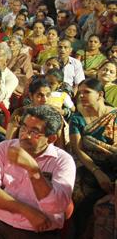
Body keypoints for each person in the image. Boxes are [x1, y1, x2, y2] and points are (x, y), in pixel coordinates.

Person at [0, 105, 76, 239]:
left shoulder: (63, 161)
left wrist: (33, 170)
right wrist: (26, 210)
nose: (25, 135)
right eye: (24, 127)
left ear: (51, 139)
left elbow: (56, 207)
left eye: (34, 132)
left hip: (39, 232)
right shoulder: (5, 148)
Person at [69, 78, 117, 238]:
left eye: (86, 92)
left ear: (100, 94)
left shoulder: (114, 116)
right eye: (80, 92)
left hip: (114, 166)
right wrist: (97, 172)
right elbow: (78, 149)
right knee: (80, 196)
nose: (81, 96)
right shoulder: (77, 118)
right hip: (88, 165)